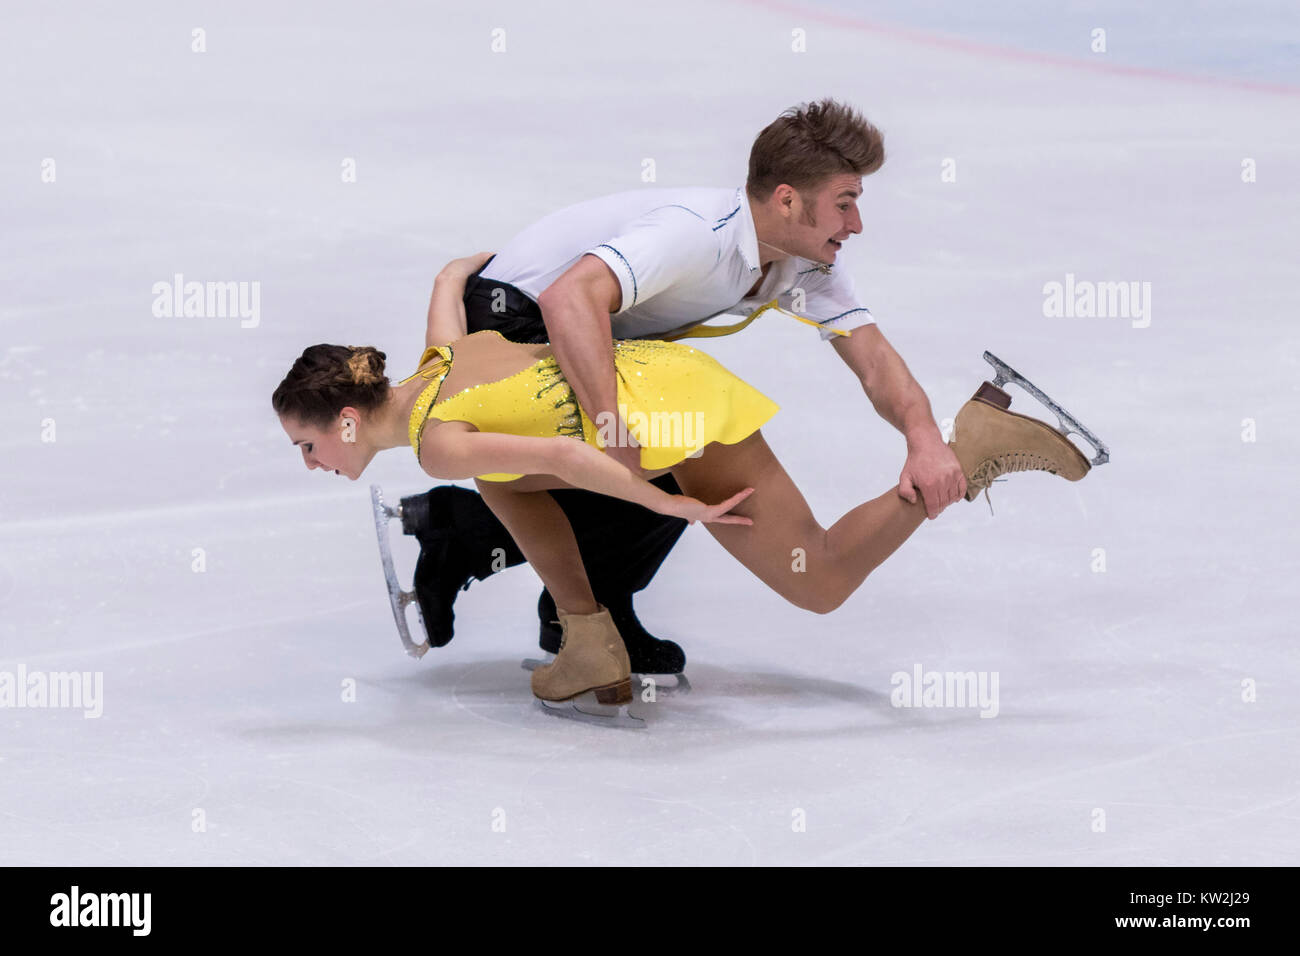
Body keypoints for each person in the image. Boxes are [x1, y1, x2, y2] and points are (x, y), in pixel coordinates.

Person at [271, 257, 1094, 709]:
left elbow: (567, 462)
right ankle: (589, 635)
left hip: (677, 422)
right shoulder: (438, 360)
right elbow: (451, 277)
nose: (312, 465)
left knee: (822, 580)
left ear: (346, 421)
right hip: (661, 379)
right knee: (506, 483)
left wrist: (666, 500)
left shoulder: (436, 448)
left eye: (308, 446)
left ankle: (970, 448)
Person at [400, 99, 969, 676]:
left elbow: (873, 359)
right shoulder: (699, 233)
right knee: (645, 453)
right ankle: (480, 543)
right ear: (788, 199)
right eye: (844, 204)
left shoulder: (805, 263)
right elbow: (568, 297)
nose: (857, 225)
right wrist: (609, 422)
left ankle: (538, 575)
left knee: (674, 451)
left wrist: (923, 438)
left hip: (586, 326)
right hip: (512, 325)